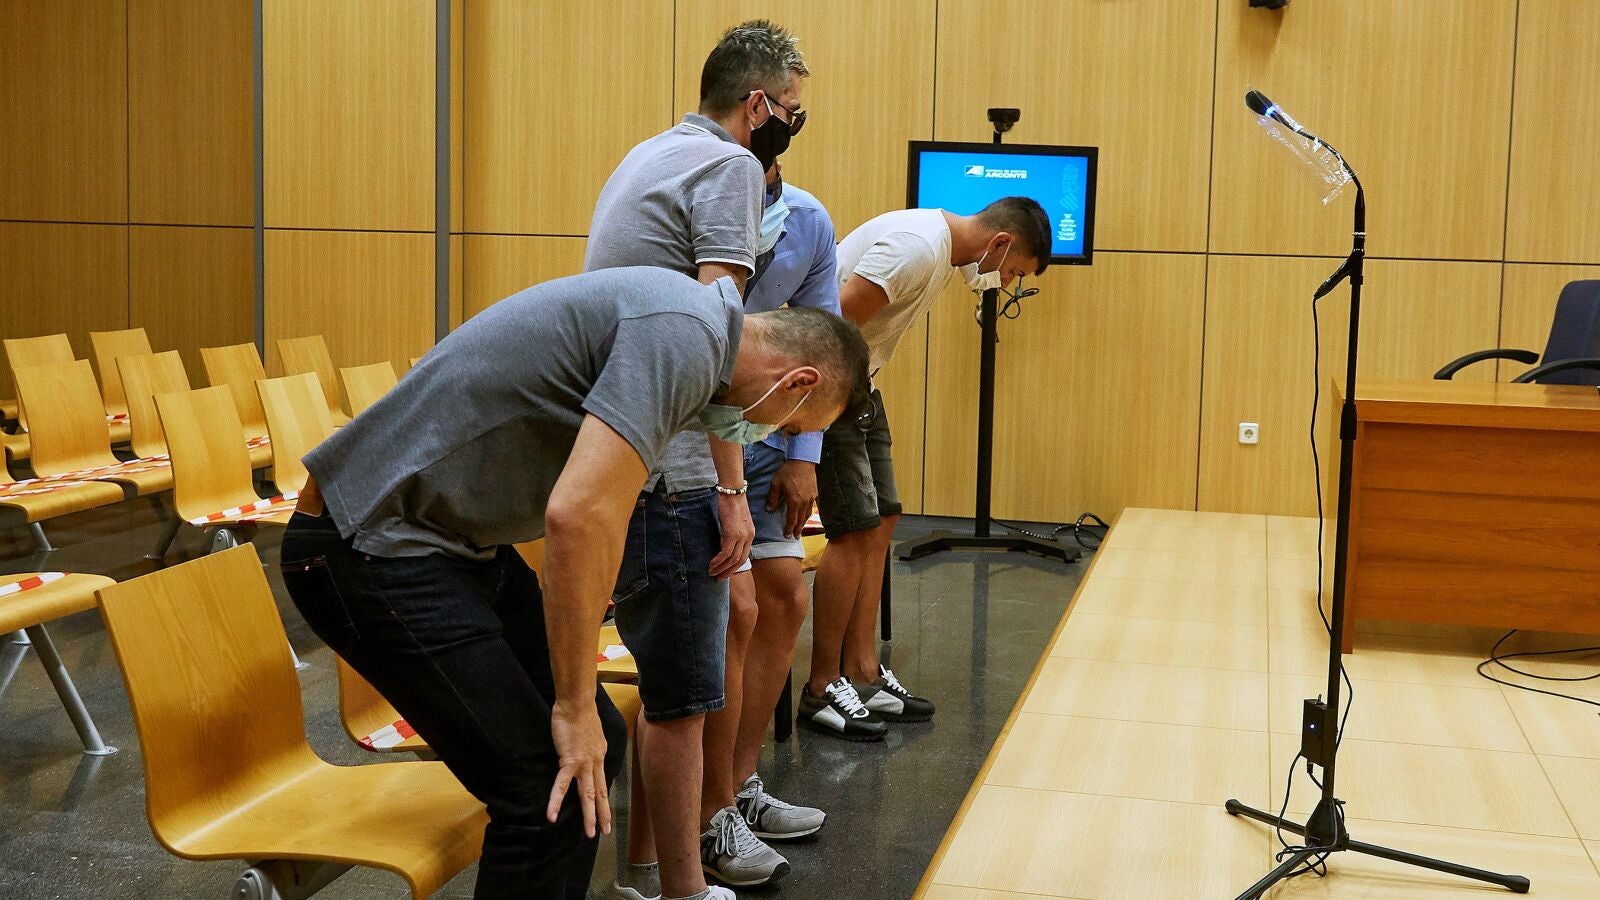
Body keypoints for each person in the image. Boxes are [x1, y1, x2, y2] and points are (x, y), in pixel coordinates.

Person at [278, 266, 868, 900]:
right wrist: (573, 705)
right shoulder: (684, 337)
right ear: (797, 381)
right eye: (788, 427)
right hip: (366, 543)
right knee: (546, 786)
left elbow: (598, 515)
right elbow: (578, 516)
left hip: (445, 545)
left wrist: (582, 710)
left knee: (593, 752)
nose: (771, 436)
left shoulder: (693, 331)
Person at [585, 19, 811, 900]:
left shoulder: (650, 153)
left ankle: (651, 870)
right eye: (790, 108)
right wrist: (730, 488)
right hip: (671, 462)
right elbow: (719, 342)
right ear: (757, 106)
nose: (793, 122)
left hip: (626, 447)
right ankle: (685, 887)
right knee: (681, 696)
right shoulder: (729, 168)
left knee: (673, 680)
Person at [801, 197, 1053, 741]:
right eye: (1012, 272)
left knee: (884, 518)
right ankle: (822, 686)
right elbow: (824, 330)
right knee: (852, 532)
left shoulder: (951, 246)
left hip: (860, 385)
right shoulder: (915, 249)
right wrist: (810, 428)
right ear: (1000, 244)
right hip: (831, 390)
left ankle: (863, 670)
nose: (1006, 283)